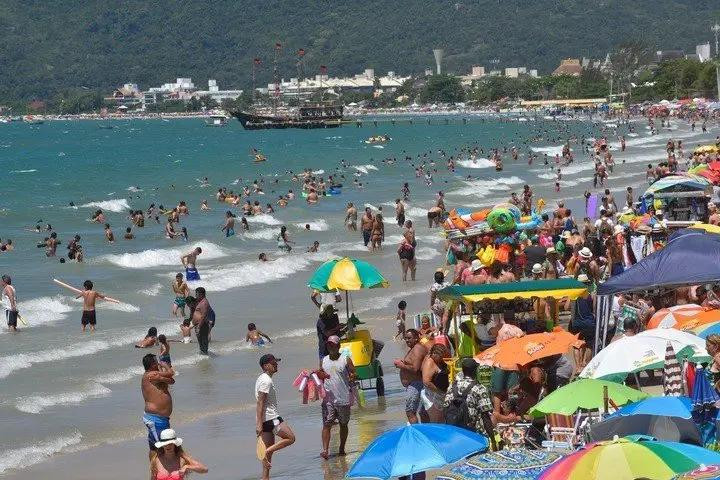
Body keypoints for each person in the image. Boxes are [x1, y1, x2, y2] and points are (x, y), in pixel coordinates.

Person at [255, 354, 295, 479]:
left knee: (268, 460)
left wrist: (260, 422)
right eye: (273, 363)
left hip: (265, 420)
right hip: (271, 419)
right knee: (290, 438)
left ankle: (265, 478)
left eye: (276, 362)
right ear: (265, 366)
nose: (276, 364)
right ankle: (267, 451)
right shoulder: (266, 380)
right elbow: (260, 402)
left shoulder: (263, 378)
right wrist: (259, 424)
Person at [319, 335, 356, 460]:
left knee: (343, 424)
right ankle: (325, 450)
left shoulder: (345, 359)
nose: (331, 347)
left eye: (333, 345)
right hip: (328, 398)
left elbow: (353, 372)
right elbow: (320, 373)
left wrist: (352, 377)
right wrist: (318, 374)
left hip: (343, 397)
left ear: (338, 346)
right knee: (327, 423)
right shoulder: (324, 360)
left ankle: (341, 448)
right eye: (329, 345)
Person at [444, 358, 495, 443]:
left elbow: (446, 407)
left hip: (454, 431)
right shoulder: (480, 388)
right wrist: (493, 439)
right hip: (473, 433)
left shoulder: (452, 386)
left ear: (463, 370)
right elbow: (486, 417)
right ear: (475, 371)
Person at [393, 329, 428, 423]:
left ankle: (416, 434)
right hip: (416, 384)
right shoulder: (414, 348)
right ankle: (423, 433)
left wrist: (402, 365)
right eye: (405, 339)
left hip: (416, 384)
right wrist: (403, 363)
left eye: (409, 338)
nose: (407, 340)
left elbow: (415, 369)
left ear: (416, 338)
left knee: (410, 412)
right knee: (422, 412)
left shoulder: (417, 348)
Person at [142, 354, 175, 452]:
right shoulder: (150, 375)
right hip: (155, 419)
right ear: (152, 365)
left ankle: (159, 466)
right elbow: (171, 373)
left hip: (161, 419)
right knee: (161, 448)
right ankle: (156, 467)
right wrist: (165, 365)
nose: (158, 363)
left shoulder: (156, 376)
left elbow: (172, 381)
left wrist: (161, 378)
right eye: (156, 361)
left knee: (164, 447)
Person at [421, 344, 450, 422]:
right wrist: (441, 392)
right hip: (433, 396)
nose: (442, 358)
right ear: (434, 354)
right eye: (440, 356)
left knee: (444, 419)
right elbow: (426, 382)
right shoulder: (429, 362)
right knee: (437, 420)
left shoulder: (440, 361)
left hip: (442, 394)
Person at [317, 304, 342, 368]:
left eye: (332, 312)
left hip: (334, 346)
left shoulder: (335, 317)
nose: (331, 314)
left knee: (335, 365)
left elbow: (338, 333)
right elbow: (327, 334)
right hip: (324, 346)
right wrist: (337, 328)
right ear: (325, 313)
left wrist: (346, 328)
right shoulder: (321, 321)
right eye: (329, 312)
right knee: (323, 366)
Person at [192, 287, 213, 355]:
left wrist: (199, 326)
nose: (196, 295)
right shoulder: (201, 301)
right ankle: (203, 355)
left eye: (196, 294)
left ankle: (204, 356)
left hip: (202, 325)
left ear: (201, 294)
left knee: (203, 341)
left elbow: (204, 315)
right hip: (200, 325)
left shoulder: (204, 303)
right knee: (201, 342)